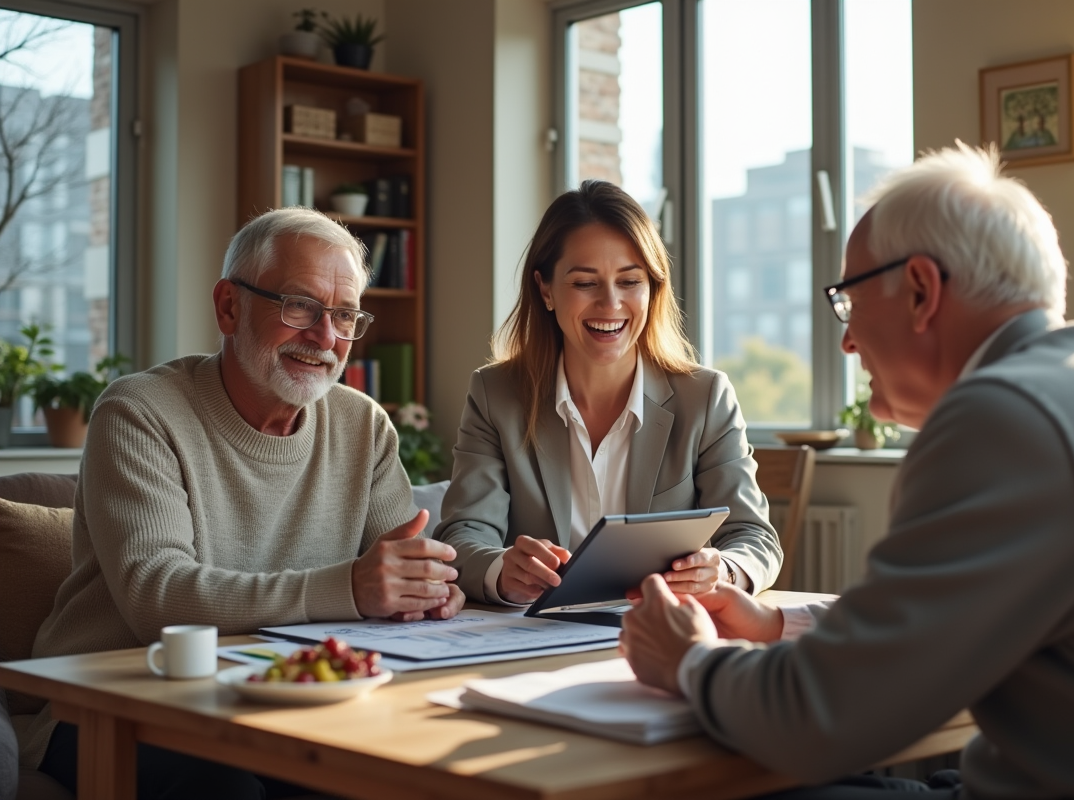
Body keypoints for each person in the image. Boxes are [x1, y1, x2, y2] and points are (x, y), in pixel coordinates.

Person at [620, 144, 1074, 798]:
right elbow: (933, 619)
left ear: (921, 290)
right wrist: (775, 623)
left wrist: (691, 660)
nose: (846, 341)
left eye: (849, 303)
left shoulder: (1008, 417)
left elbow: (819, 718)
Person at [25, 207, 464, 799]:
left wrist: (426, 587)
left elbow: (400, 566)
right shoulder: (138, 412)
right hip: (118, 702)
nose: (326, 338)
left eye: (343, 316)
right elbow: (157, 597)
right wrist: (352, 588)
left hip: (286, 697)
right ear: (229, 306)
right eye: (300, 307)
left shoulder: (364, 425)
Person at [434, 180, 781, 606]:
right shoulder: (495, 395)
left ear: (652, 290)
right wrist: (501, 569)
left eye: (630, 281)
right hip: (534, 639)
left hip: (660, 632)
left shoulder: (706, 398)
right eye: (585, 283)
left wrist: (722, 570)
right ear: (545, 290)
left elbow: (753, 537)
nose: (611, 304)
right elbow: (463, 534)